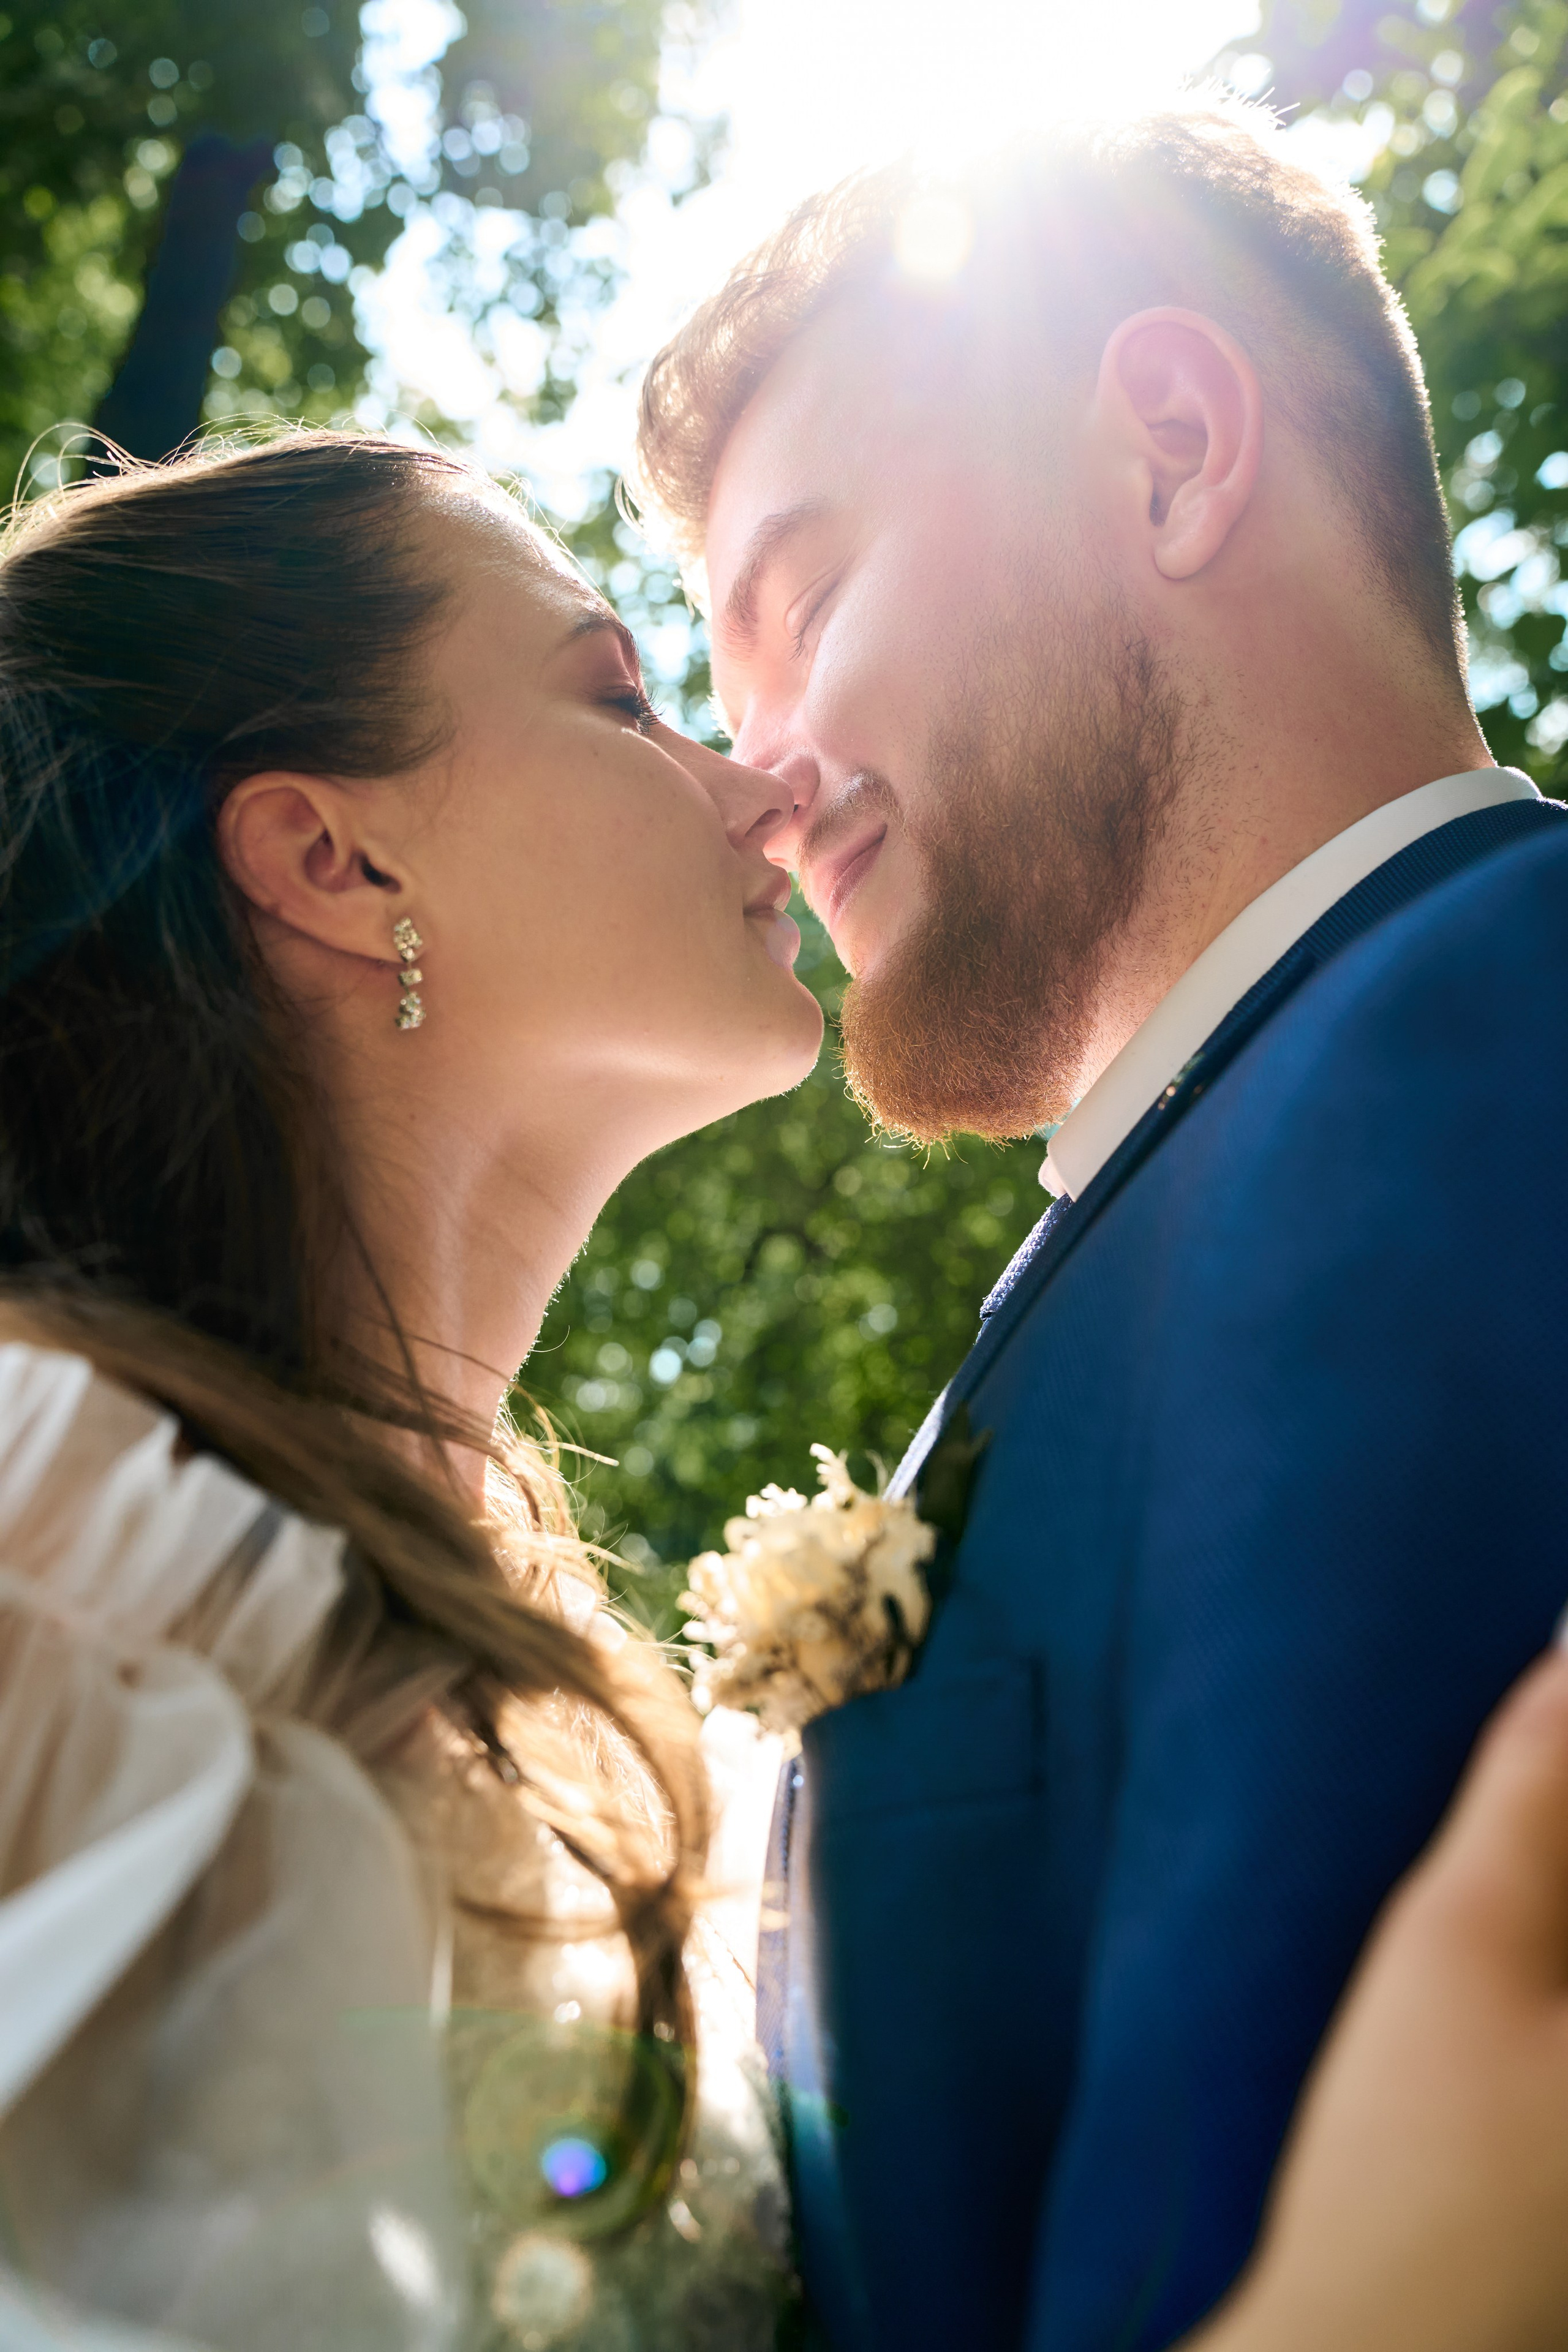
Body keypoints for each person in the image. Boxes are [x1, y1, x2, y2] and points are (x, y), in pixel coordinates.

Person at [631, 94, 1568, 2351]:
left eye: (807, 599)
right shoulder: (1218, 1173)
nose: (759, 782)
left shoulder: (1475, 1043)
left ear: (1167, 443)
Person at [0, 431, 823, 2350]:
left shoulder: (535, 1668)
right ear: (335, 858)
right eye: (621, 696)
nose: (764, 789)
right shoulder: (52, 1556)